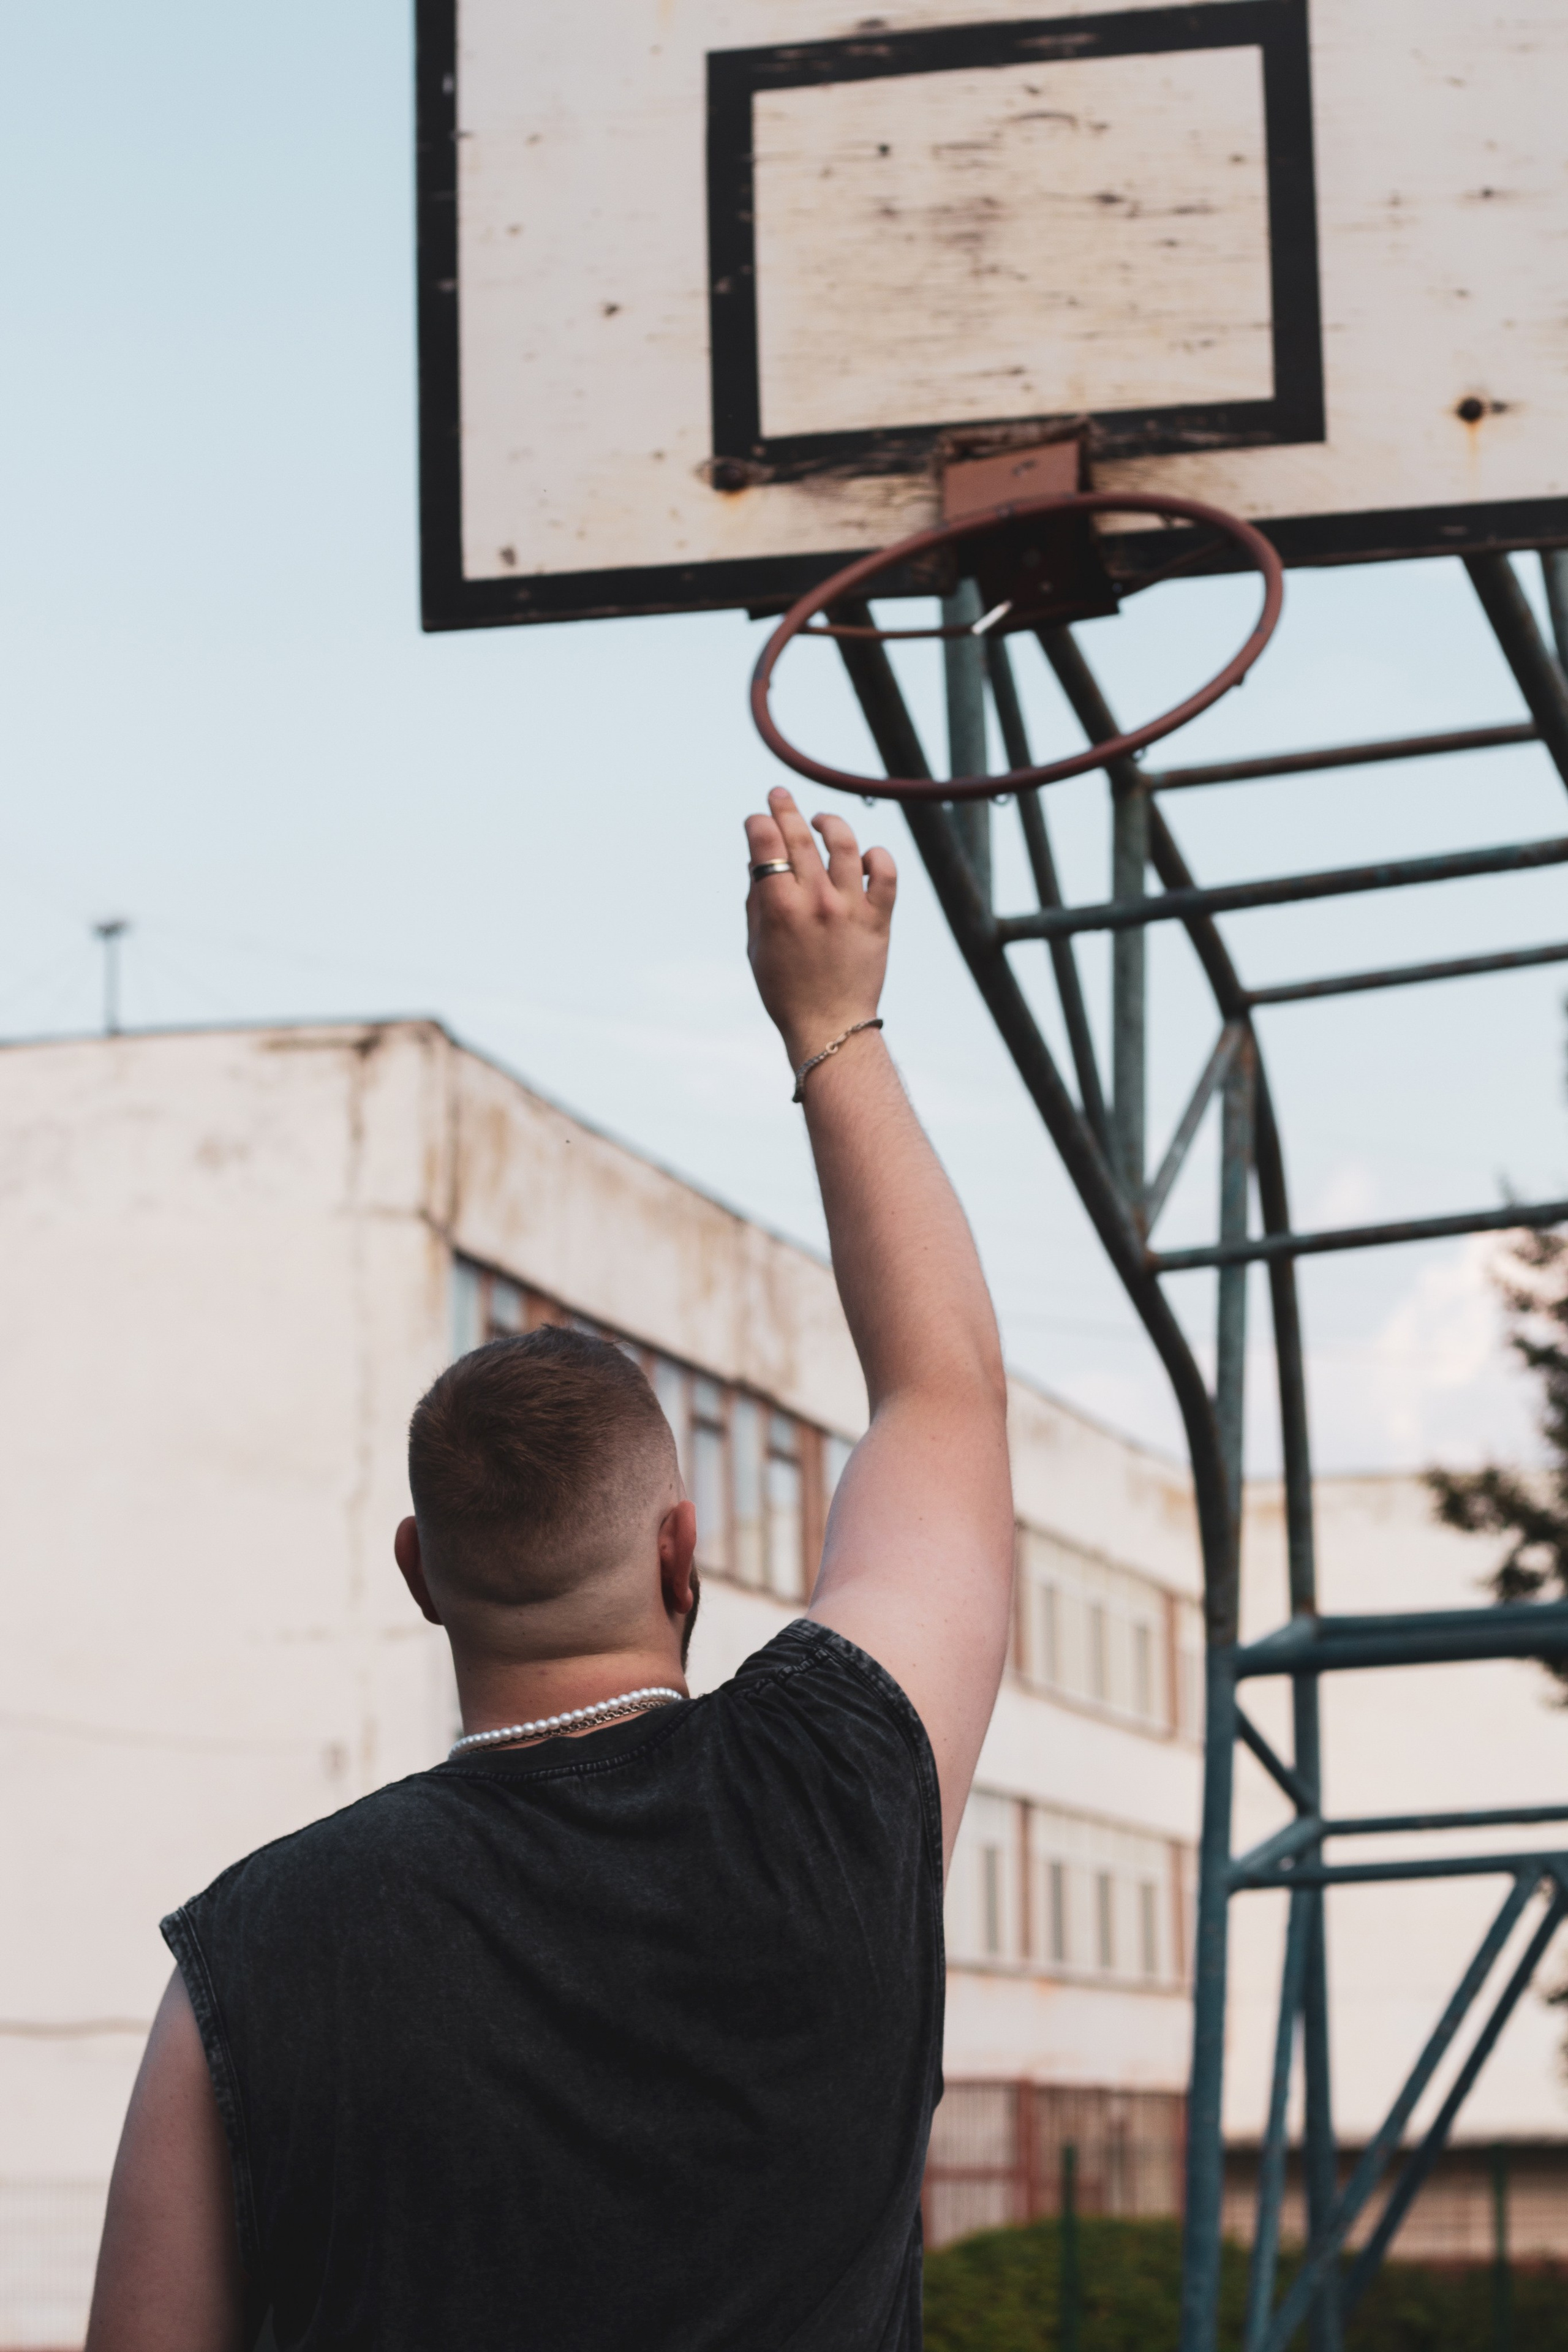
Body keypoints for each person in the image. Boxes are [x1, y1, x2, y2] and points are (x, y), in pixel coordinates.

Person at [85, 786, 1014, 2352]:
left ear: (419, 1572)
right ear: (678, 1550)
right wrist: (830, 1024)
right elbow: (947, 1396)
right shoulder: (836, 1790)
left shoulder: (244, 1956)